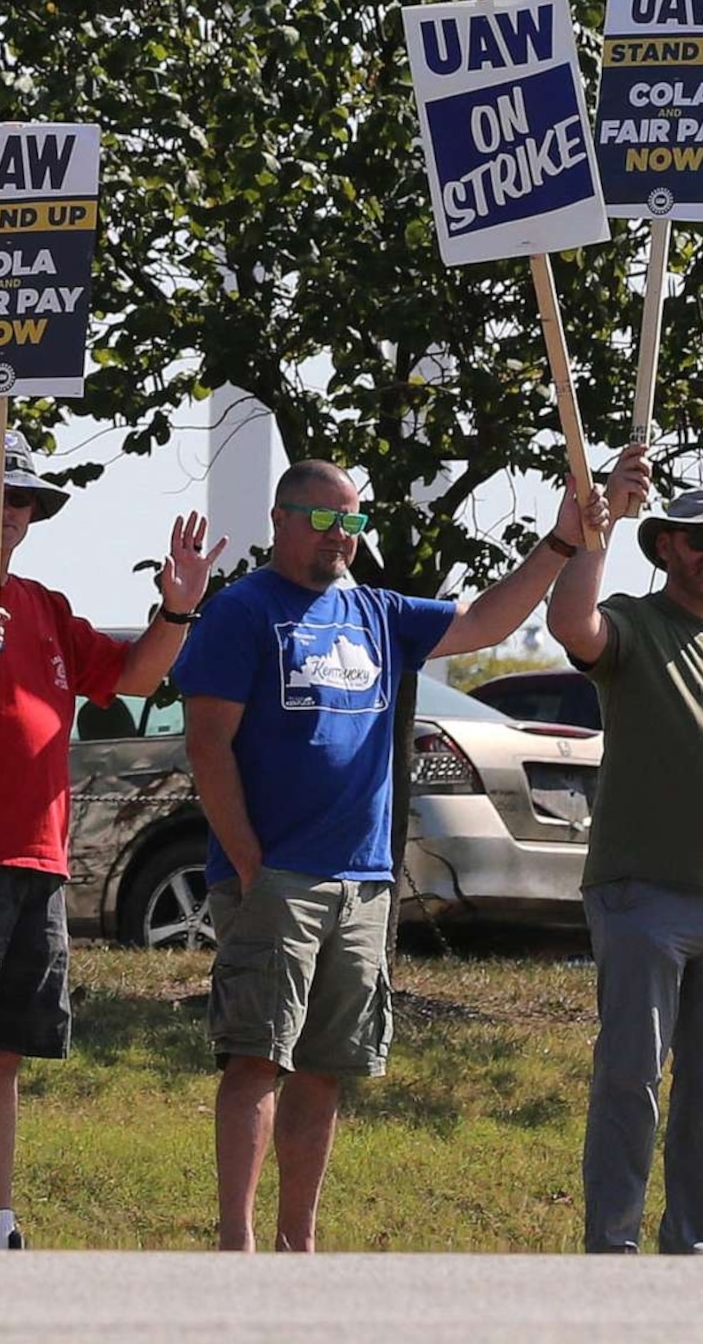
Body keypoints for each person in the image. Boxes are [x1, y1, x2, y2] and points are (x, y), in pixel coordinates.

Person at [180, 444, 648, 1253]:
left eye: (352, 520)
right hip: (277, 877)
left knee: (326, 1065)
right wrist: (250, 861)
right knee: (258, 1056)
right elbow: (207, 743)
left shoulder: (378, 611)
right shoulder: (243, 610)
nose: (339, 536)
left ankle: (299, 1244)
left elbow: (484, 621)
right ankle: (237, 1244)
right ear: (281, 522)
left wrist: (564, 542)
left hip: (362, 881)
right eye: (323, 518)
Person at [0, 430, 224, 1251]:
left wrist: (178, 606)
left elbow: (134, 675)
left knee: (3, 1052)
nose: (9, 512)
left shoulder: (46, 604)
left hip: (36, 858)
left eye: (22, 498)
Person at [544, 464, 703, 1256]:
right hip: (643, 895)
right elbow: (571, 621)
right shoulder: (633, 622)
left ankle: (696, 1258)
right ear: (667, 545)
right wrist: (596, 527)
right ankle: (613, 1255)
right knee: (629, 1084)